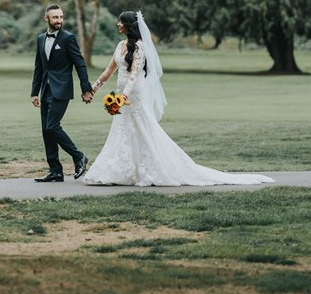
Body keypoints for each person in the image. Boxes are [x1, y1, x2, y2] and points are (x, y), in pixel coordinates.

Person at [84, 11, 274, 187]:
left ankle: (152, 170)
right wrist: (93, 89)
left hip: (134, 94)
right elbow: (109, 71)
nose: (118, 24)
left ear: (128, 26)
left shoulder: (140, 47)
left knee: (143, 128)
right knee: (122, 131)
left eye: (121, 22)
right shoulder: (120, 46)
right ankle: (122, 171)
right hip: (121, 94)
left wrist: (122, 97)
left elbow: (134, 75)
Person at [30, 3, 94, 182]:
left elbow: (80, 63)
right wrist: (34, 92)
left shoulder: (68, 38)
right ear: (47, 19)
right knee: (46, 130)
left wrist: (86, 89)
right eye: (55, 17)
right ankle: (55, 171)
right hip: (46, 90)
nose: (59, 20)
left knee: (52, 127)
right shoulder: (41, 39)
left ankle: (79, 156)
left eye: (61, 17)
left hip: (62, 89)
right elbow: (39, 68)